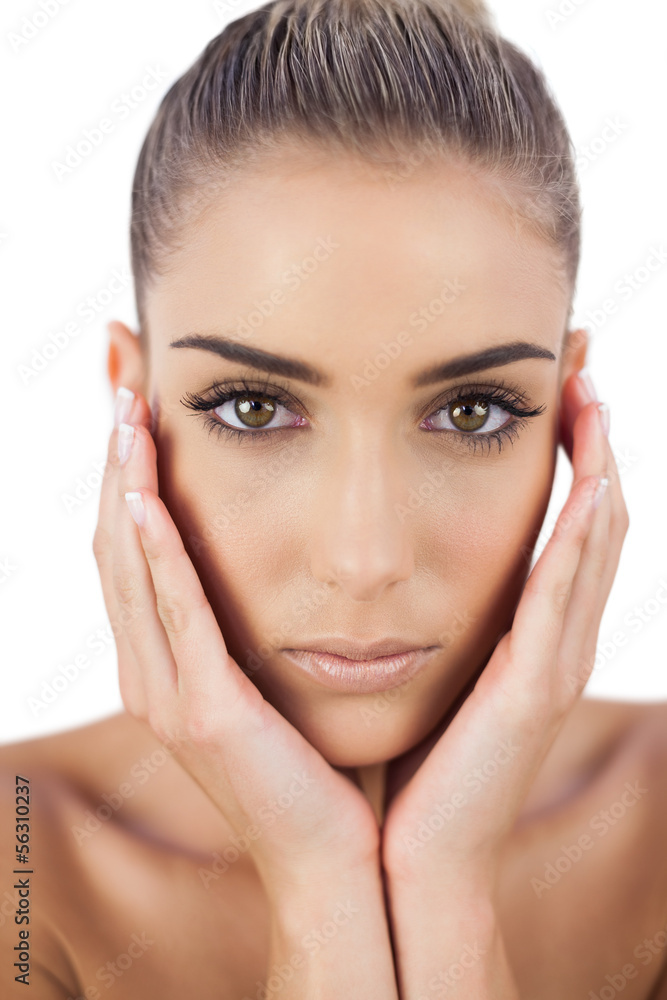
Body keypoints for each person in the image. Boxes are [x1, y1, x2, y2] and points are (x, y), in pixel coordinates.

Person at [2, 0, 666, 996]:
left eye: (475, 411)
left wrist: (445, 891)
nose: (364, 558)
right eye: (257, 408)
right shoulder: (24, 864)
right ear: (129, 405)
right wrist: (319, 892)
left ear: (573, 413)